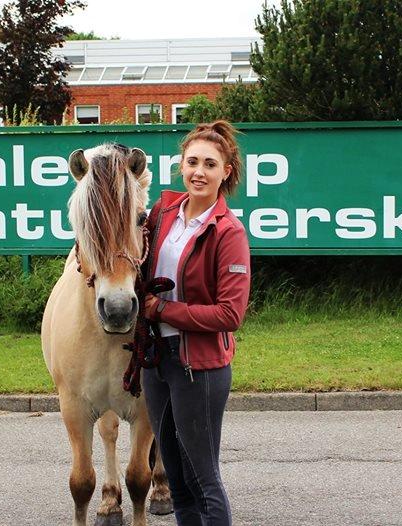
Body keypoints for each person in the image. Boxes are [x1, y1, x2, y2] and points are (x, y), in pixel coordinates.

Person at [141, 120, 250, 526]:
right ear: (180, 166)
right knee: (178, 481)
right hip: (158, 363)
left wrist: (162, 311)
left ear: (226, 172)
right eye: (191, 162)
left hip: (199, 368)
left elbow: (229, 314)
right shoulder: (163, 213)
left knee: (204, 480)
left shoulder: (228, 231)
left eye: (209, 163)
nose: (198, 171)